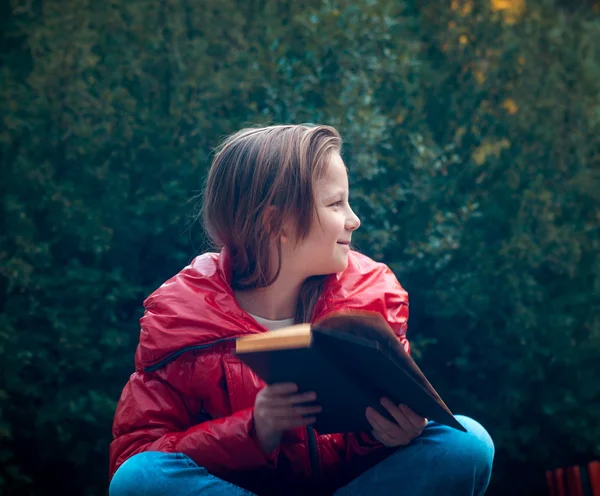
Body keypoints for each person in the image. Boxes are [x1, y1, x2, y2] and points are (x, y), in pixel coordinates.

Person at [108, 124, 494, 496]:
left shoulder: (372, 297)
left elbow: (376, 449)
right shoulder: (182, 315)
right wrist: (253, 429)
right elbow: (136, 456)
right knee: (138, 478)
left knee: (468, 442)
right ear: (276, 222)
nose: (353, 219)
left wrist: (391, 437)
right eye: (335, 203)